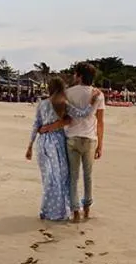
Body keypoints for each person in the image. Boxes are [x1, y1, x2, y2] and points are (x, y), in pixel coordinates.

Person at [26, 77, 102, 222]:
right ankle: (59, 210)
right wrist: (92, 101)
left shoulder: (42, 105)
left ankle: (48, 210)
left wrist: (30, 145)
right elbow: (82, 114)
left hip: (42, 143)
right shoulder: (63, 103)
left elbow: (36, 125)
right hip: (58, 142)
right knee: (61, 177)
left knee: (49, 178)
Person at [65, 63, 105, 222]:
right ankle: (87, 209)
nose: (74, 77)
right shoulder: (98, 94)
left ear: (80, 76)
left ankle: (75, 211)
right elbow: (100, 122)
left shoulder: (68, 93)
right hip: (89, 139)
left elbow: (65, 117)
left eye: (76, 74)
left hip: (72, 137)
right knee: (88, 176)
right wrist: (100, 145)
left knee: (73, 177)